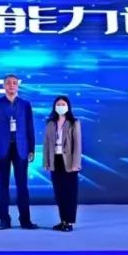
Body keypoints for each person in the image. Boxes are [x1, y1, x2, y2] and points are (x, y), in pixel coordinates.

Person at [0, 74, 38, 230]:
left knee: (22, 186)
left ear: (18, 86)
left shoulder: (25, 105)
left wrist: (31, 148)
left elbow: (30, 127)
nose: (11, 85)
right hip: (2, 148)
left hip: (21, 148)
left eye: (14, 83)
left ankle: (25, 220)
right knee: (3, 186)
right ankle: (4, 220)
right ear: (4, 86)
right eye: (8, 83)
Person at [44, 95, 83, 232]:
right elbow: (46, 144)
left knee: (70, 192)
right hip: (56, 160)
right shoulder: (50, 123)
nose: (61, 106)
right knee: (59, 192)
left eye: (63, 104)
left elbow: (77, 145)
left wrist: (76, 163)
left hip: (70, 161)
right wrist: (47, 162)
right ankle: (63, 221)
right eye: (58, 104)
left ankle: (69, 222)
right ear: (55, 107)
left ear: (68, 106)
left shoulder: (74, 122)